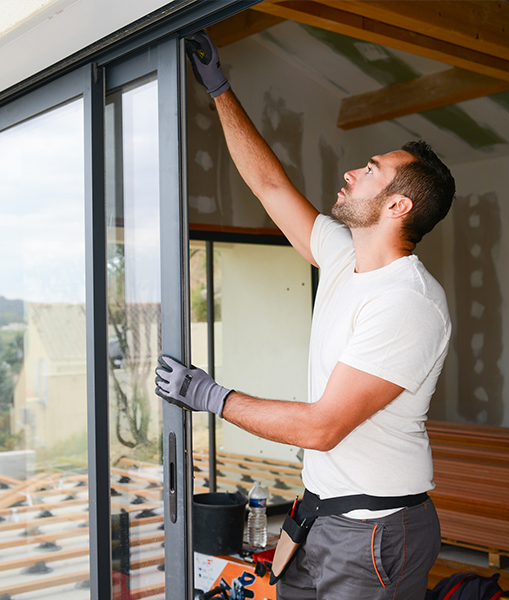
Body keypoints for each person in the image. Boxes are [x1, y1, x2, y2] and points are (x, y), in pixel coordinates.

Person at [155, 31, 455, 600]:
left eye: (370, 170)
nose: (350, 173)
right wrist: (219, 90)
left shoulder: (406, 302)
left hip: (373, 536)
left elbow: (323, 427)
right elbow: (269, 185)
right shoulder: (344, 255)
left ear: (398, 206)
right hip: (320, 518)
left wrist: (210, 397)